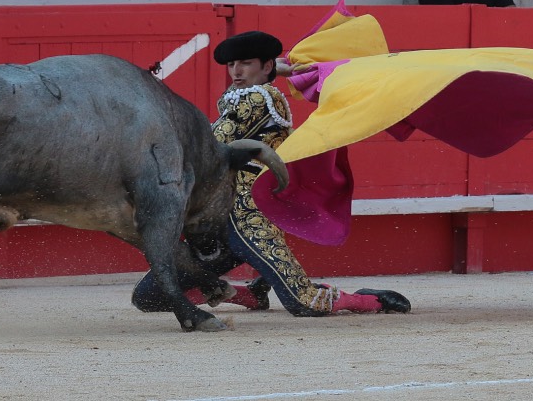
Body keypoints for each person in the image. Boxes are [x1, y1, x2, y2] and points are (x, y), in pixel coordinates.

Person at [131, 31, 411, 317]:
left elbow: (211, 145)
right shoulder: (244, 95)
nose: (236, 71)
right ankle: (248, 295)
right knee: (151, 296)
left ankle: (367, 301)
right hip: (216, 223)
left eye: (246, 63)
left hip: (249, 220)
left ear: (265, 66)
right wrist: (273, 68)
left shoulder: (256, 98)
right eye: (231, 65)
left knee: (304, 303)